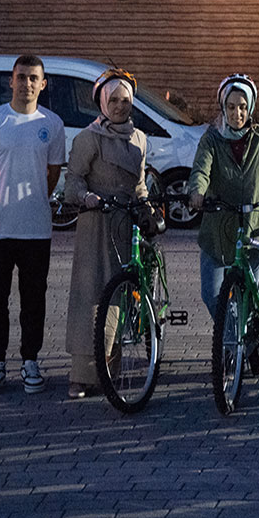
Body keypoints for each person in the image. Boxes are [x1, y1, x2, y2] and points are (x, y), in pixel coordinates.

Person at [0, 54, 66, 398]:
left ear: (43, 84)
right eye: (21, 76)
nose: (26, 83)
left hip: (35, 231)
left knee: (33, 299)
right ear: (10, 81)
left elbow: (52, 175)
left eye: (33, 78)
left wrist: (32, 200)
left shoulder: (53, 124)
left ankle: (30, 361)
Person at [63, 68, 158, 399]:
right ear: (101, 102)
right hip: (97, 223)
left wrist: (147, 208)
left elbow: (140, 184)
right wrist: (84, 197)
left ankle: (111, 369)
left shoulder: (140, 139)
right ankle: (82, 375)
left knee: (121, 297)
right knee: (90, 297)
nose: (120, 106)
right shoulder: (87, 139)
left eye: (125, 100)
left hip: (126, 224)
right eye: (113, 99)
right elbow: (72, 180)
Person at [187, 74, 259, 372]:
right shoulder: (212, 138)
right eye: (231, 107)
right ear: (223, 107)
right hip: (219, 228)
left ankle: (249, 346)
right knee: (213, 294)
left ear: (251, 107)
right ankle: (235, 343)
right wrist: (197, 191)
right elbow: (201, 168)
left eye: (243, 107)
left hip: (255, 228)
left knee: (253, 296)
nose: (237, 113)